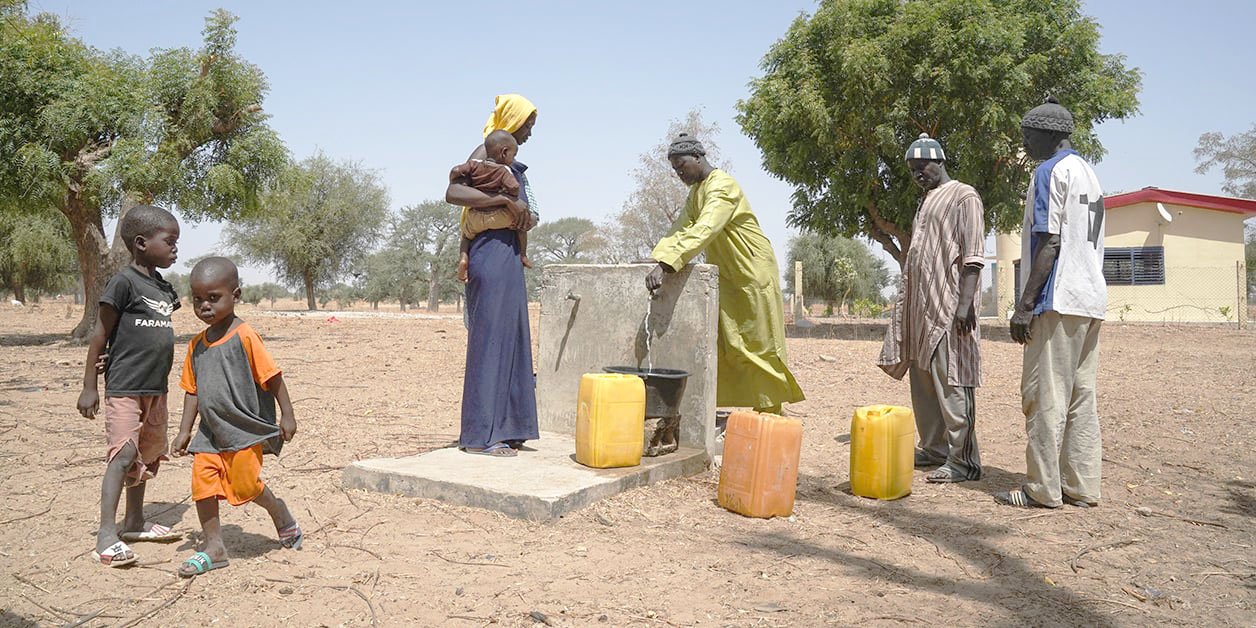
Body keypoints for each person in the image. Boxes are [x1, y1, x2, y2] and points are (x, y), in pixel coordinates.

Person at [996, 97, 1106, 509]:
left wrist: (1024, 306)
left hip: (1057, 300)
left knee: (1044, 395)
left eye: (1028, 134)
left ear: (1047, 133)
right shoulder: (1088, 172)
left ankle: (1042, 489)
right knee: (1081, 396)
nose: (1024, 142)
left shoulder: (1049, 171)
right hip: (1090, 299)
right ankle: (1082, 485)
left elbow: (1050, 241)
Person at [645, 133, 804, 414]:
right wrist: (658, 259)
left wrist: (668, 264)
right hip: (730, 275)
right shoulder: (696, 193)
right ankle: (755, 410)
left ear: (698, 157)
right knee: (734, 343)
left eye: (682, 165)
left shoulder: (721, 186)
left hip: (752, 272)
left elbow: (704, 228)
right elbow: (681, 228)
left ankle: (772, 413)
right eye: (675, 170)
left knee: (760, 343)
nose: (679, 173)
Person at [172, 257, 301, 576]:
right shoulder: (195, 346)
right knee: (203, 485)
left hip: (243, 429)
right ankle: (213, 546)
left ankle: (279, 511)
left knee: (244, 487)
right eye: (198, 299)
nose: (204, 306)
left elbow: (272, 376)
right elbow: (192, 391)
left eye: (213, 298)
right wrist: (184, 431)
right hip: (210, 434)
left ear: (236, 295)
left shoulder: (245, 335)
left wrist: (288, 414)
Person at [76, 205, 184, 567]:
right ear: (141, 243)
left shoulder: (164, 287)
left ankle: (135, 520)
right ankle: (106, 534)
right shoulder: (122, 282)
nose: (175, 249)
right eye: (169, 241)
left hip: (157, 388)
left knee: (147, 454)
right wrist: (90, 383)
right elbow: (101, 333)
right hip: (124, 385)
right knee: (123, 455)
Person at [877, 134, 986, 483]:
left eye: (922, 167)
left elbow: (973, 255)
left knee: (953, 381)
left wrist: (965, 304)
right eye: (912, 170)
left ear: (939, 162)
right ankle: (935, 449)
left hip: (950, 307)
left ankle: (964, 461)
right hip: (922, 310)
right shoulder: (927, 200)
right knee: (923, 385)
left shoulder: (963, 195)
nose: (918, 175)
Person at [445, 94, 540, 457]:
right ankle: (480, 435)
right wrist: (503, 203)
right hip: (490, 250)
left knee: (513, 338)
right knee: (490, 341)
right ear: (511, 122)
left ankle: (512, 426)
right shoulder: (484, 155)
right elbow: (454, 193)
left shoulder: (509, 157)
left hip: (509, 253)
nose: (530, 133)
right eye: (527, 125)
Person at [453, 130, 531, 281]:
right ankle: (523, 255)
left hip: (474, 217)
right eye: (513, 156)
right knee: (521, 224)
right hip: (498, 218)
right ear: (504, 153)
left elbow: (456, 170)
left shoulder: (474, 165)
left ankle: (463, 257)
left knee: (466, 236)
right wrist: (510, 197)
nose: (513, 159)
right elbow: (514, 187)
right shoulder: (503, 170)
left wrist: (454, 176)